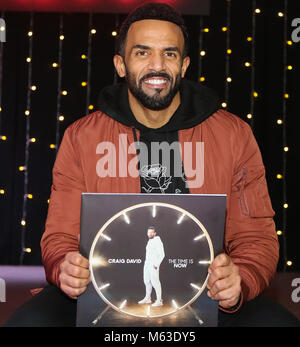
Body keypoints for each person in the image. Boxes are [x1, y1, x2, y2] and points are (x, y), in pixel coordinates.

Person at [3, 2, 299, 327]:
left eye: (169, 54)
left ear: (184, 65)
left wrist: (240, 278)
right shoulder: (81, 137)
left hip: (206, 294)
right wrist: (65, 267)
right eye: (142, 53)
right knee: (29, 322)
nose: (157, 66)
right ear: (120, 64)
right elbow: (60, 235)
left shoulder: (233, 134)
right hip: (101, 294)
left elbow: (256, 238)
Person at [138, 226, 165, 307]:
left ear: (155, 233)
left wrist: (156, 264)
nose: (150, 234)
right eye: (148, 232)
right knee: (146, 281)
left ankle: (159, 300)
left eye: (151, 232)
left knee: (155, 282)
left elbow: (162, 254)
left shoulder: (157, 240)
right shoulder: (149, 241)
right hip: (147, 264)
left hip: (153, 265)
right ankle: (148, 298)